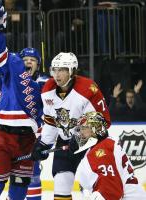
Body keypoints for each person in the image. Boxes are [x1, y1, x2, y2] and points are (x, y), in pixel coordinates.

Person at [0, 5, 44, 200]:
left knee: (19, 191)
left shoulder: (46, 84)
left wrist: (45, 140)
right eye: (26, 58)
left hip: (27, 141)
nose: (29, 62)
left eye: (33, 59)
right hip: (3, 137)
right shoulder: (11, 69)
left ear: (38, 65)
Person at [30, 52, 111, 200]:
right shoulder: (48, 89)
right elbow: (50, 121)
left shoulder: (88, 89)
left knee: (94, 187)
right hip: (66, 141)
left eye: (62, 70)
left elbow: (103, 121)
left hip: (93, 142)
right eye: (54, 69)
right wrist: (43, 143)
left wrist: (81, 137)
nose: (57, 74)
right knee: (61, 184)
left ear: (72, 71)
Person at [74, 111, 146, 200]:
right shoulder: (102, 146)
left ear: (97, 128)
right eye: (80, 128)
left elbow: (111, 190)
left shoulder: (102, 150)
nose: (81, 132)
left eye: (84, 128)